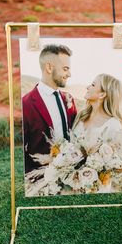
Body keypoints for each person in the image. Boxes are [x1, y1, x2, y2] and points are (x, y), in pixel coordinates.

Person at [22, 44, 77, 173]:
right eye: (65, 69)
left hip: (72, 173)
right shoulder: (26, 103)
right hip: (41, 177)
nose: (69, 74)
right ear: (49, 67)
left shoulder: (69, 99)